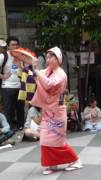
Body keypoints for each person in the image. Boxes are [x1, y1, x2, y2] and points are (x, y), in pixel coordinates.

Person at [31, 46, 82, 175]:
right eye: (47, 57)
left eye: (51, 57)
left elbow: (48, 84)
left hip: (57, 110)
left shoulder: (62, 74)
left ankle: (76, 160)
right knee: (45, 138)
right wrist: (29, 65)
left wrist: (36, 71)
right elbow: (37, 75)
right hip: (48, 109)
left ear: (58, 59)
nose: (48, 60)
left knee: (57, 140)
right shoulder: (48, 70)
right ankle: (51, 163)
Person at [0, 36, 25, 130]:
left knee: (20, 108)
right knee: (8, 109)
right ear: (8, 46)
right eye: (13, 45)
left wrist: (21, 66)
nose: (15, 46)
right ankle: (9, 127)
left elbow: (26, 70)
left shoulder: (21, 55)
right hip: (7, 87)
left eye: (16, 44)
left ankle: (20, 126)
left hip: (20, 85)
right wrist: (3, 77)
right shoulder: (3, 56)